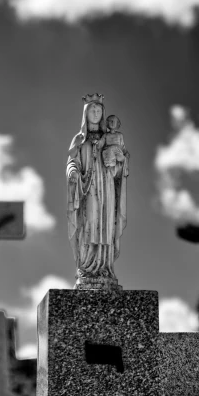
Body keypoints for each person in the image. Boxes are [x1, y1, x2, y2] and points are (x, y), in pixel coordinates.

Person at [66, 95, 129, 283]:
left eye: (99, 110)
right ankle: (86, 267)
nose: (96, 113)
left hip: (107, 187)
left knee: (106, 224)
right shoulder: (79, 139)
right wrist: (73, 172)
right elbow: (72, 161)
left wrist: (118, 162)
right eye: (92, 110)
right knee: (89, 223)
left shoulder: (110, 138)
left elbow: (121, 168)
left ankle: (104, 267)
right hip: (87, 187)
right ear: (86, 114)